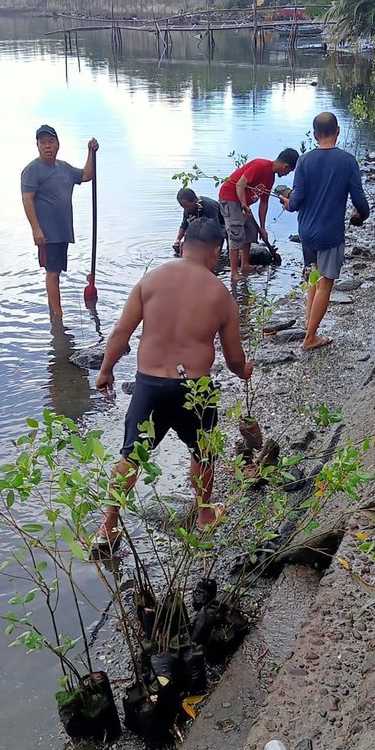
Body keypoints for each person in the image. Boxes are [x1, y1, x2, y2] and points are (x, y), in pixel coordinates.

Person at [94, 219, 252, 546]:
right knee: (203, 452)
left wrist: (106, 369)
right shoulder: (221, 295)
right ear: (217, 252)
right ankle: (205, 514)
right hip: (194, 389)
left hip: (149, 386)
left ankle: (107, 528)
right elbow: (234, 357)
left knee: (131, 456)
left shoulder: (150, 281)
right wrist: (244, 371)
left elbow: (121, 334)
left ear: (182, 246)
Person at [283, 112, 370, 351]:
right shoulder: (347, 161)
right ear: (338, 131)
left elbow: (297, 200)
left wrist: (288, 204)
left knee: (314, 276)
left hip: (307, 232)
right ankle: (310, 337)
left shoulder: (303, 161)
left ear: (314, 135)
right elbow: (359, 200)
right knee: (325, 283)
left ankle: (309, 323)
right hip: (330, 232)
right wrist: (362, 215)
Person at [20, 125, 98, 319]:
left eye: (51, 142)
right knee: (52, 273)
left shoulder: (64, 168)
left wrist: (91, 152)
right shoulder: (32, 170)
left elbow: (87, 175)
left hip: (63, 231)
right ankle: (58, 316)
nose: (47, 146)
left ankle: (55, 315)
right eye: (43, 143)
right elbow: (27, 199)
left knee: (56, 272)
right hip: (47, 233)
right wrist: (36, 230)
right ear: (37, 145)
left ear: (58, 145)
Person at [218, 148, 299, 281]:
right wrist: (244, 205)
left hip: (242, 202)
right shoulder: (260, 165)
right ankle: (234, 272)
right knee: (236, 232)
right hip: (230, 198)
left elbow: (264, 204)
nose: (286, 174)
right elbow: (240, 184)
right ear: (285, 166)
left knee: (250, 230)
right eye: (289, 171)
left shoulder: (270, 178)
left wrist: (262, 227)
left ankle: (245, 265)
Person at [173, 188, 224, 254]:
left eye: (187, 206)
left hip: (221, 225)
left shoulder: (208, 206)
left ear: (194, 200)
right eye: (182, 206)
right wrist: (178, 240)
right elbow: (184, 225)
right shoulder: (187, 210)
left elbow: (215, 227)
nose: (185, 209)